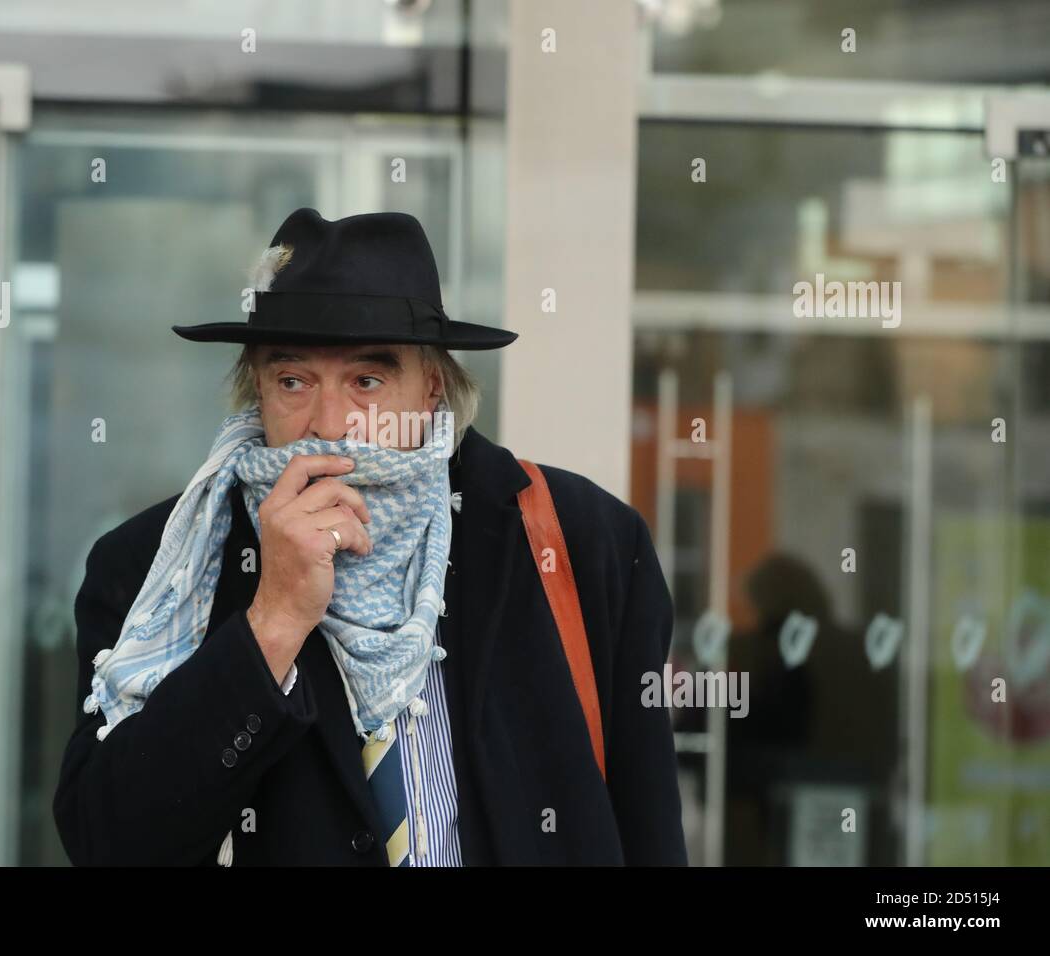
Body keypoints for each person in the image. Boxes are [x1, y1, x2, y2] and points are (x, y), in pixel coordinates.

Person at [52, 207, 686, 866]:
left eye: (367, 381)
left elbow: (648, 834)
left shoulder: (583, 542)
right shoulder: (158, 565)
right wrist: (272, 621)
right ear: (257, 391)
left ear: (431, 386)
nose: (330, 423)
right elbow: (110, 843)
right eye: (293, 380)